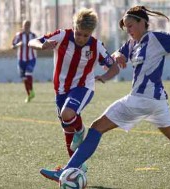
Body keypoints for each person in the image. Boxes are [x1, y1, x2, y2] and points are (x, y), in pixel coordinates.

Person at [40, 5, 170, 183]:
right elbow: (118, 53)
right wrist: (118, 56)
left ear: (143, 23)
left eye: (131, 26)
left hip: (140, 100)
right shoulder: (132, 43)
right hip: (157, 102)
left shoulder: (156, 38)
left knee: (96, 128)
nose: (128, 30)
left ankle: (67, 170)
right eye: (126, 27)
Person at [28, 8, 119, 171]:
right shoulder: (62, 36)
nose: (81, 38)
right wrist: (43, 45)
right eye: (78, 33)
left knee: (68, 114)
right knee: (67, 128)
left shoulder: (96, 46)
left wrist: (104, 77)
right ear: (74, 28)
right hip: (61, 90)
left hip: (83, 87)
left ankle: (81, 130)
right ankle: (74, 168)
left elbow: (114, 67)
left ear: (91, 33)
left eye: (86, 35)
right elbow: (32, 42)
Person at [12, 20, 37, 103]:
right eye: (25, 25)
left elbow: (38, 44)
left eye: (28, 25)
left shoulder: (33, 35)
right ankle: (29, 94)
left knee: (28, 74)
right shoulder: (18, 35)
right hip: (21, 59)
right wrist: (18, 45)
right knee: (24, 78)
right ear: (22, 26)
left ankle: (32, 91)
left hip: (31, 58)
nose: (26, 27)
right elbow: (13, 46)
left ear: (30, 26)